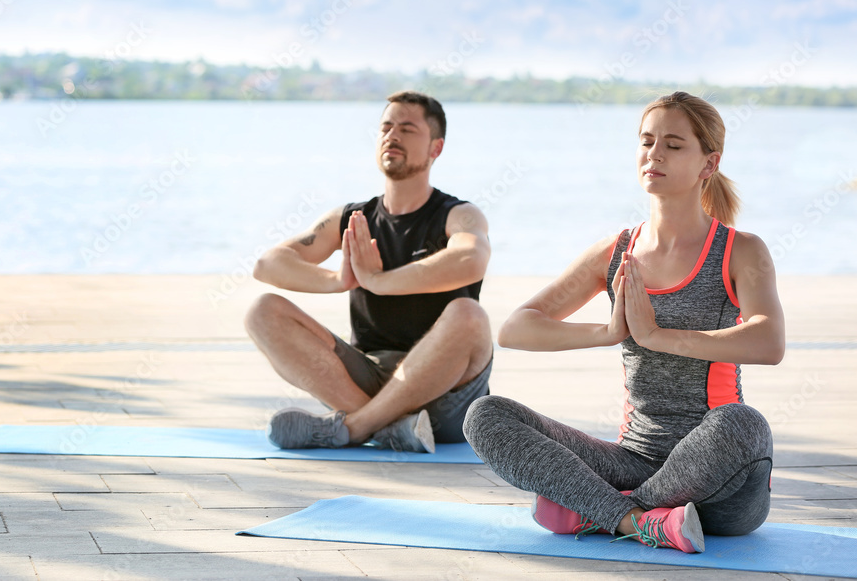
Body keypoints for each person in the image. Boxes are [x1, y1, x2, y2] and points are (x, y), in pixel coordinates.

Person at [463, 91, 785, 553]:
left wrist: (657, 336)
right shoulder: (616, 251)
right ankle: (637, 521)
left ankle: (600, 512)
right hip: (635, 460)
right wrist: (607, 333)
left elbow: (768, 341)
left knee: (744, 424)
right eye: (647, 141)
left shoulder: (741, 250)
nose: (654, 154)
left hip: (723, 482)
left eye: (673, 145)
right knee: (486, 414)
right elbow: (517, 328)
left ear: (707, 165)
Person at [245, 90, 494, 453]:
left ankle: (358, 427)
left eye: (407, 129)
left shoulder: (459, 215)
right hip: (367, 378)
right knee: (262, 311)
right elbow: (266, 264)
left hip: (447, 396)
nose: (392, 136)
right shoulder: (351, 218)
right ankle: (391, 429)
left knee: (469, 315)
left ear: (435, 149)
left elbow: (471, 259)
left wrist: (379, 281)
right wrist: (336, 280)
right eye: (386, 127)